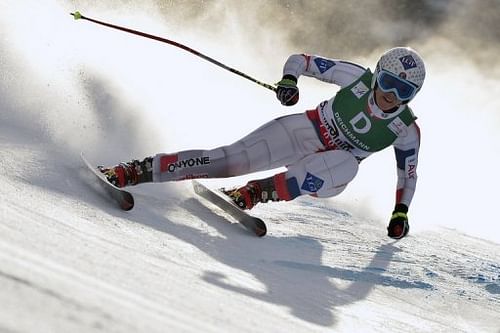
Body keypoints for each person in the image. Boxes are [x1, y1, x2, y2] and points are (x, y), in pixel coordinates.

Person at [100, 47, 425, 239]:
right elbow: (303, 60)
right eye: (387, 84)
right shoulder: (356, 77)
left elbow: (407, 175)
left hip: (329, 171)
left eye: (403, 92)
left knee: (345, 164)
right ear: (378, 75)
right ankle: (134, 171)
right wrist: (289, 81)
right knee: (225, 161)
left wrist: (400, 212)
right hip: (305, 131)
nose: (390, 96)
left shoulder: (405, 130)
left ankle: (254, 193)